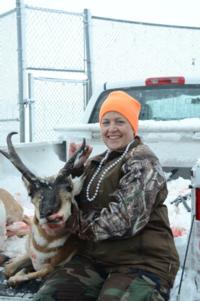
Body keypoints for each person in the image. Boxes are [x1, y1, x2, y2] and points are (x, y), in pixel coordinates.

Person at [33, 91, 180, 301]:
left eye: (120, 121)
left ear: (132, 126)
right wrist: (73, 170)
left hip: (141, 263)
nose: (111, 129)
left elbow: (123, 221)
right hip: (93, 260)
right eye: (106, 122)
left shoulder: (143, 162)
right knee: (47, 298)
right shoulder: (97, 162)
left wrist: (72, 222)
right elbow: (59, 198)